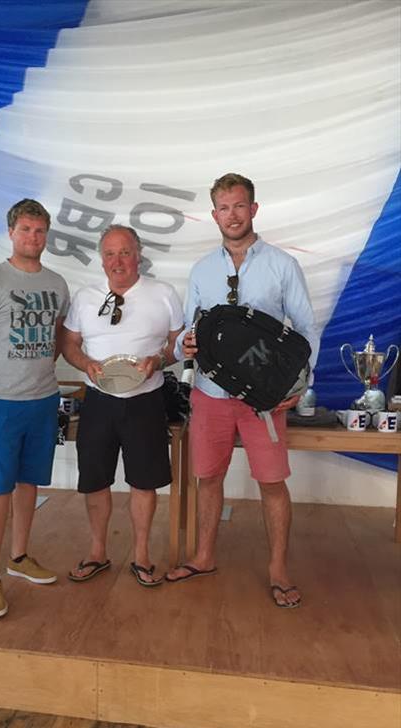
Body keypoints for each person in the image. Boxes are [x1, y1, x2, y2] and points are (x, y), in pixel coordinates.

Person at [166, 173, 319, 608]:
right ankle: (204, 556)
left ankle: (278, 569)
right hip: (210, 394)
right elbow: (185, 332)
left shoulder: (283, 265)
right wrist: (183, 345)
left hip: (265, 401)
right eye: (223, 208)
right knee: (208, 478)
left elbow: (306, 330)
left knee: (272, 483)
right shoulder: (202, 269)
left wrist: (300, 384)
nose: (231, 215)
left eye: (239, 206)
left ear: (253, 209)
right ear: (213, 214)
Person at [0, 199, 70, 619]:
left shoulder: (57, 284)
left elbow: (58, 340)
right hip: (1, 403)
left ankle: (19, 557)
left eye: (40, 230)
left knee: (29, 484)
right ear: (11, 232)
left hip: (43, 400)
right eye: (26, 229)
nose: (33, 237)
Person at [62, 225, 184, 586]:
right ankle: (97, 552)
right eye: (110, 254)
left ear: (139, 254)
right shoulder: (85, 297)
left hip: (145, 400)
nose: (118, 261)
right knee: (95, 480)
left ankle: (142, 556)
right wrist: (85, 364)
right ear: (102, 259)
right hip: (98, 401)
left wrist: (158, 361)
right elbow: (69, 343)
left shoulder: (163, 294)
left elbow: (179, 342)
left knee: (144, 482)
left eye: (125, 252)